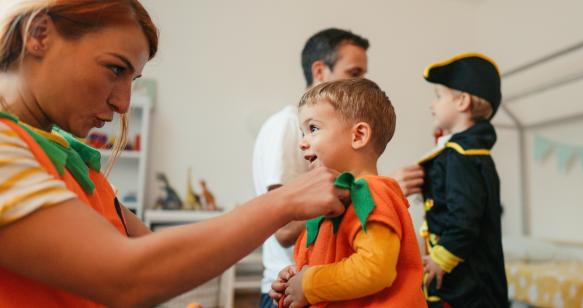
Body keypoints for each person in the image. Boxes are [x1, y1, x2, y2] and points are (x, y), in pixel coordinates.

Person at [0, 1, 347, 306]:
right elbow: (128, 276)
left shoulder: (72, 163)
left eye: (131, 81)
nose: (122, 103)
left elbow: (159, 261)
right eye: (115, 69)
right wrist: (284, 202)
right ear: (40, 34)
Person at [274, 78, 427, 307]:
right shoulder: (327, 203)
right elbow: (326, 268)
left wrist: (309, 284)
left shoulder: (371, 194)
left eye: (313, 128)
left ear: (358, 136)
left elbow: (375, 268)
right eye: (302, 132)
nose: (302, 143)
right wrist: (293, 280)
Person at [253, 28, 369, 308]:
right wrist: (364, 193)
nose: (362, 84)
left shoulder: (324, 132)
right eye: (354, 74)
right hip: (289, 291)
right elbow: (283, 230)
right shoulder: (288, 126)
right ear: (320, 71)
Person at [418, 53, 508, 307]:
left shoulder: (461, 155)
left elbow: (465, 219)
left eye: (438, 96)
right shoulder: (469, 151)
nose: (432, 105)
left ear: (462, 101)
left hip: (468, 286)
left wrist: (440, 260)